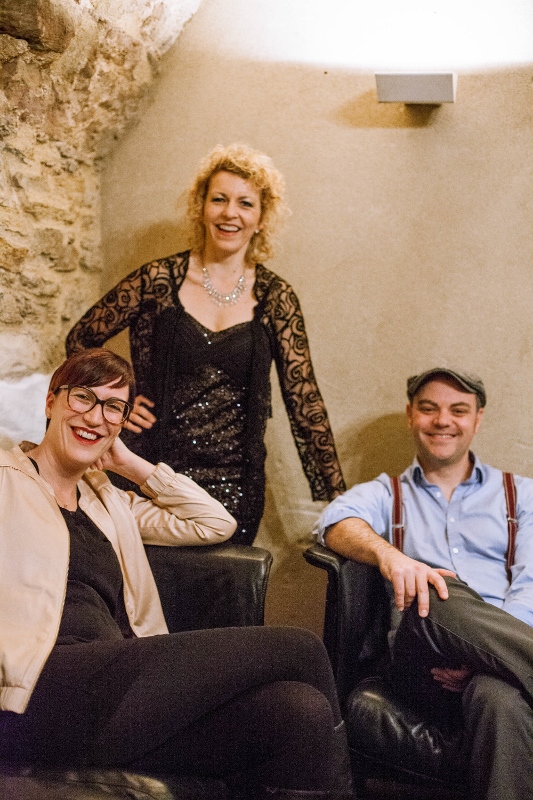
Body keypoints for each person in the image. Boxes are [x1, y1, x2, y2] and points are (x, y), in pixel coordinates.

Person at [0, 348, 354, 799]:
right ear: (51, 401)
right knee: (299, 647)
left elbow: (214, 522)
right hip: (39, 687)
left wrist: (130, 465)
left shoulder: (110, 503)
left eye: (113, 407)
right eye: (83, 397)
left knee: (298, 712)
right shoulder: (5, 479)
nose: (96, 416)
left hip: (110, 690)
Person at [65, 143, 345, 545]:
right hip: (147, 471)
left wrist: (340, 498)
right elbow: (81, 339)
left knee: (222, 583)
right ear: (201, 208)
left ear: (261, 218)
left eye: (245, 203)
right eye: (219, 199)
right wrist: (119, 404)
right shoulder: (158, 280)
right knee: (136, 579)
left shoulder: (276, 298)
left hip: (235, 484)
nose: (230, 213)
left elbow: (305, 400)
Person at [316, 367, 533, 800]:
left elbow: (530, 584)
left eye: (458, 410)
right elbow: (334, 522)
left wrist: (486, 659)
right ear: (411, 415)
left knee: (497, 698)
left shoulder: (521, 494)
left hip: (503, 658)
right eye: (429, 408)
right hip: (421, 659)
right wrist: (391, 556)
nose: (443, 421)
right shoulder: (387, 493)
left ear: (477, 419)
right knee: (433, 589)